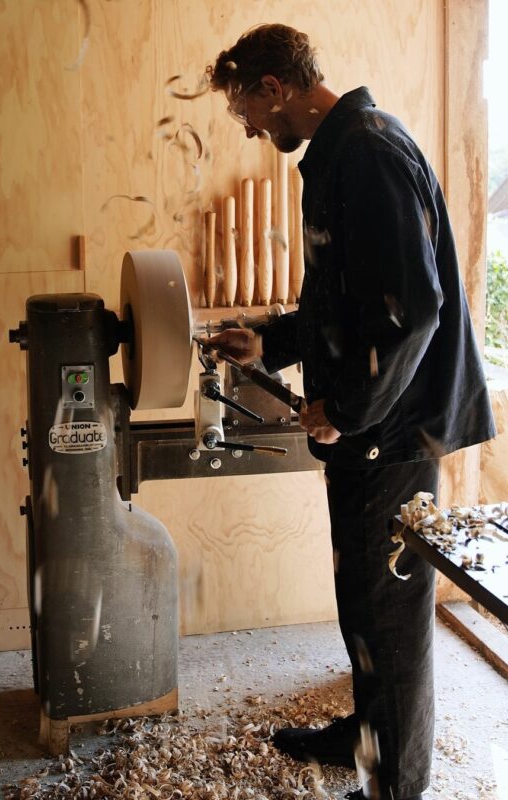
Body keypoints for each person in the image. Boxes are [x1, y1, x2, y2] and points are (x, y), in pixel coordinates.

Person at [206, 24, 496, 800]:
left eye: (247, 111)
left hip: (393, 430)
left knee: (391, 619)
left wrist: (351, 409)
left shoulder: (367, 155)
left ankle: (395, 784)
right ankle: (364, 737)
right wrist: (266, 340)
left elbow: (414, 312)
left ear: (276, 88)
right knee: (362, 598)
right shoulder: (338, 154)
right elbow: (346, 302)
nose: (247, 129)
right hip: (371, 425)